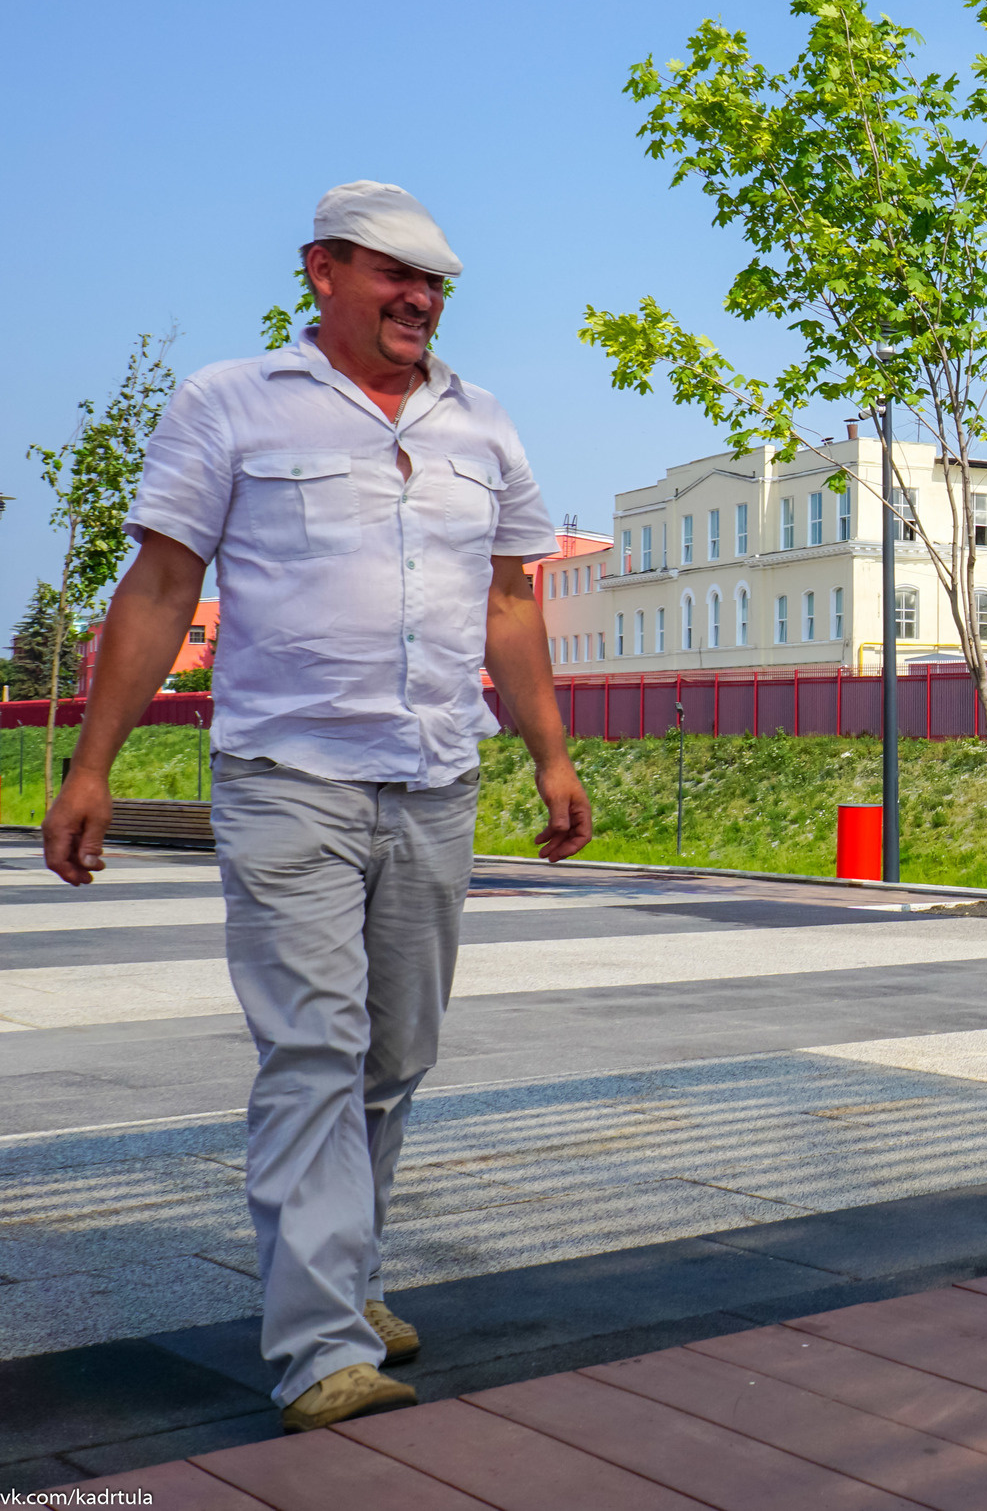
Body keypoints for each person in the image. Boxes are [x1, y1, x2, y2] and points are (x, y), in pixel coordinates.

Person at [41, 181, 592, 1432]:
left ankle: (347, 1275)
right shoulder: (230, 403)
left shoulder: (482, 423)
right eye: (395, 273)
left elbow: (511, 605)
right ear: (323, 271)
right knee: (313, 1050)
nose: (421, 298)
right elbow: (161, 584)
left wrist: (552, 757)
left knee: (395, 1056)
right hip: (289, 777)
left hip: (437, 777)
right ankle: (318, 1348)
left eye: (436, 282)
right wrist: (92, 767)